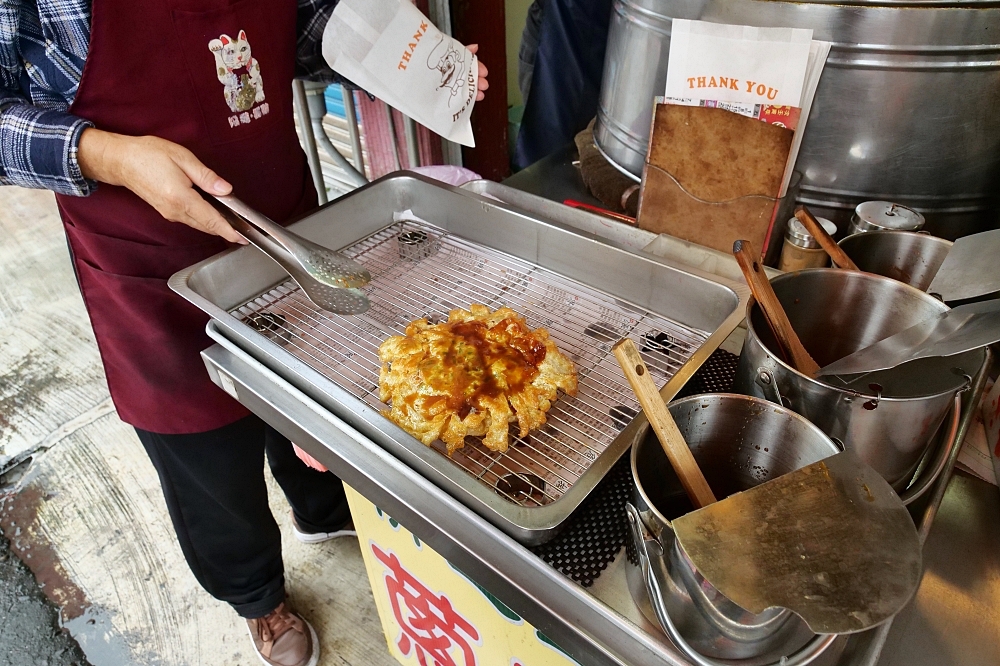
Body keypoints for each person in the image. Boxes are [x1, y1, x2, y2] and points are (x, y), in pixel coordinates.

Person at [0, 2, 487, 666]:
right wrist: (107, 154)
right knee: (205, 455)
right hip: (144, 262)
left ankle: (322, 508)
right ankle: (258, 597)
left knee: (316, 395)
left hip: (280, 224)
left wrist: (417, 63)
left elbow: (310, 29)